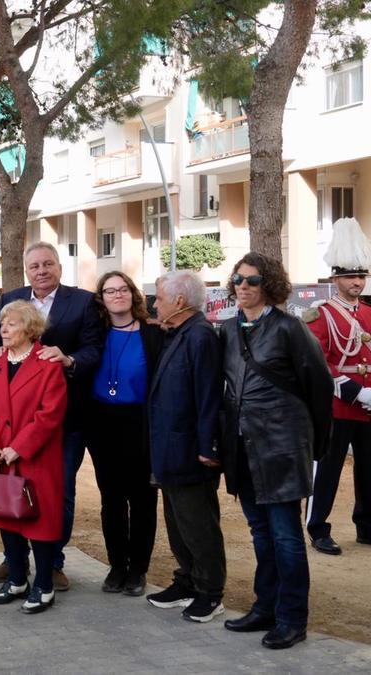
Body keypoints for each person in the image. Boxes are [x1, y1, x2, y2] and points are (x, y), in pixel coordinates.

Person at [219, 252, 331, 650]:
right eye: (238, 279)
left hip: (282, 448)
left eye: (252, 280)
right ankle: (265, 607)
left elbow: (318, 388)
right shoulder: (228, 331)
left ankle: (291, 618)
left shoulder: (290, 329)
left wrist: (314, 447)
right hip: (243, 448)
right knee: (260, 534)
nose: (243, 286)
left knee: (286, 537)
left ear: (269, 285)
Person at [0, 242, 103, 591]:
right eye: (35, 265)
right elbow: (2, 340)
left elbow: (95, 349)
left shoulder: (82, 302)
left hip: (63, 419)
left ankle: (52, 562)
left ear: (59, 267)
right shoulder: (14, 298)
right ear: (26, 270)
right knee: (12, 488)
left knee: (58, 491)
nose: (41, 270)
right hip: (15, 423)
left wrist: (68, 359)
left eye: (48, 264)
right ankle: (15, 562)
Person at [0, 300, 67, 614]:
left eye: (11, 324)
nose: (4, 329)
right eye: (2, 324)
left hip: (33, 458)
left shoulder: (48, 363)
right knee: (5, 517)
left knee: (37, 523)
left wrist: (20, 447)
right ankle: (16, 580)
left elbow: (50, 415)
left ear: (29, 328)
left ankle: (44, 584)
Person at [145, 271, 228, 623]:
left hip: (191, 450)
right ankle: (188, 580)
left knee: (198, 524)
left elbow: (210, 396)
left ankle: (210, 591)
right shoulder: (178, 333)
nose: (154, 303)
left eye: (160, 298)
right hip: (170, 448)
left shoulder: (200, 336)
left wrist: (208, 447)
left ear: (179, 301)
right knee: (178, 523)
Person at [86, 272, 162, 596]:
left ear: (133, 294)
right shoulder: (95, 334)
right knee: (111, 500)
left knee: (143, 499)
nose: (117, 295)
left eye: (122, 289)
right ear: (101, 298)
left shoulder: (153, 334)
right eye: (109, 290)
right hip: (103, 423)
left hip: (141, 422)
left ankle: (138, 570)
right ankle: (117, 566)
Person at [304, 218, 371, 554]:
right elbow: (319, 363)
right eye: (350, 275)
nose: (357, 281)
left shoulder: (370, 315)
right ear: (335, 278)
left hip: (370, 407)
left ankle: (367, 526)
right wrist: (356, 391)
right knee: (327, 472)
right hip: (339, 405)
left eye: (361, 275)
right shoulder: (321, 315)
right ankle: (318, 528)